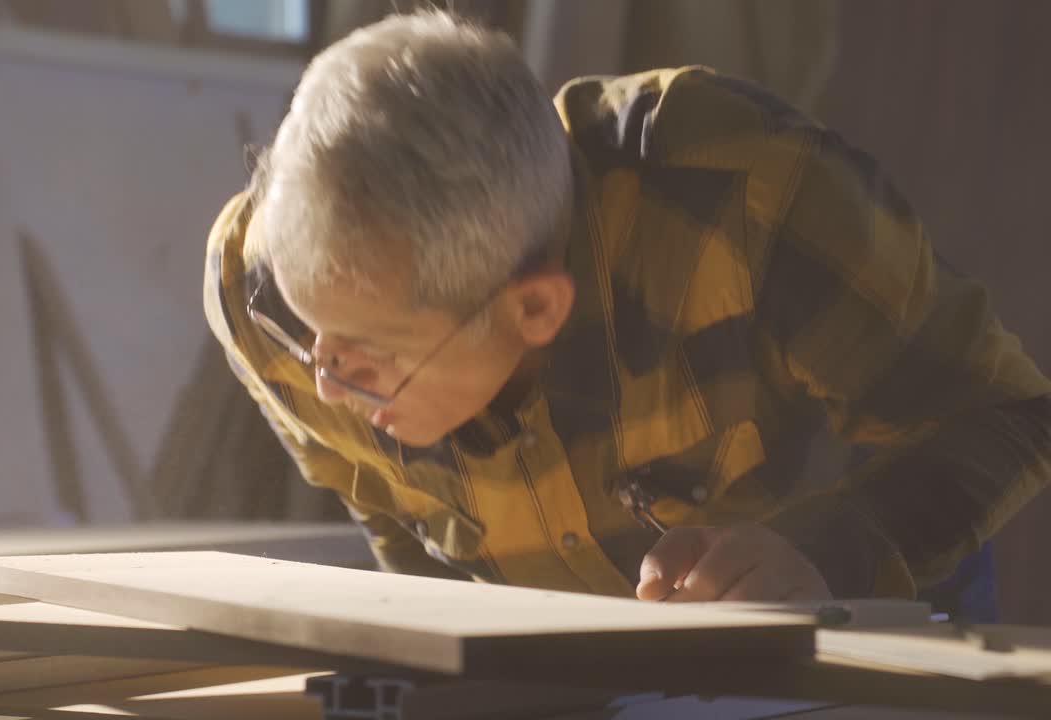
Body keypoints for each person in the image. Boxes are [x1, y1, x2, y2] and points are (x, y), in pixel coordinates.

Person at [203, 10, 1051, 606]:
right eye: (314, 332)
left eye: (374, 354)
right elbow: (387, 513)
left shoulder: (746, 201)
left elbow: (1009, 413)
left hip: (837, 609)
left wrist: (827, 555)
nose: (325, 378)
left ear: (534, 308)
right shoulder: (262, 295)